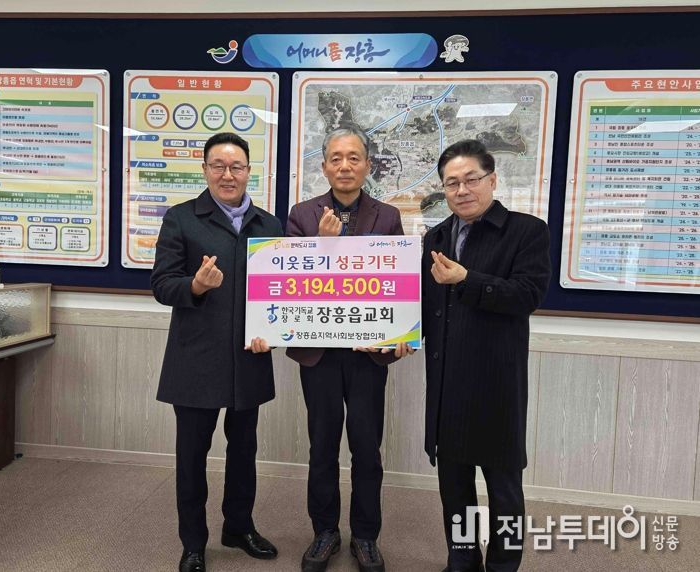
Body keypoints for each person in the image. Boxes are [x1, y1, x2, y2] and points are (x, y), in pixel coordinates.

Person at [151, 132, 282, 572]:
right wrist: (194, 285)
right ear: (205, 170)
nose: (228, 175)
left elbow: (282, 294)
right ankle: (193, 542)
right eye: (218, 166)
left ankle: (238, 527)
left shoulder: (269, 226)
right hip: (196, 359)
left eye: (236, 167)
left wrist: (276, 331)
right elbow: (161, 284)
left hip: (250, 357)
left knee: (244, 452)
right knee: (191, 458)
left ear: (249, 171)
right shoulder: (182, 218)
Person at [286, 126, 412, 572]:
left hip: (368, 353)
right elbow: (289, 281)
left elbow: (399, 282)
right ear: (324, 166)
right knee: (322, 446)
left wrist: (403, 332)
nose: (345, 166)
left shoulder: (387, 216)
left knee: (366, 448)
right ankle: (324, 532)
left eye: (354, 157)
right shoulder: (302, 215)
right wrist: (323, 246)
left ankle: (365, 536)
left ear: (367, 165)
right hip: (318, 352)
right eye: (336, 158)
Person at [422, 140, 551, 572]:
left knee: (504, 492)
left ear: (492, 180)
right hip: (447, 386)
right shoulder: (436, 238)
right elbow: (425, 307)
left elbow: (527, 295)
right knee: (455, 490)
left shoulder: (526, 231)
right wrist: (395, 335)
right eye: (451, 183)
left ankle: (502, 566)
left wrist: (467, 279)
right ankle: (462, 561)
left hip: (497, 384)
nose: (462, 190)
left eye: (471, 179)